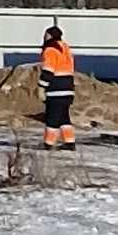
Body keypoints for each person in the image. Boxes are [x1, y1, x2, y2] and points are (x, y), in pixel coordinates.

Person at [38, 18, 75, 150]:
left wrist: (42, 86)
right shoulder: (65, 48)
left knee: (52, 118)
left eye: (45, 35)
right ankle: (69, 142)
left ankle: (48, 144)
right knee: (64, 117)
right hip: (68, 88)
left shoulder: (50, 50)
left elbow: (48, 70)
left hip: (56, 89)